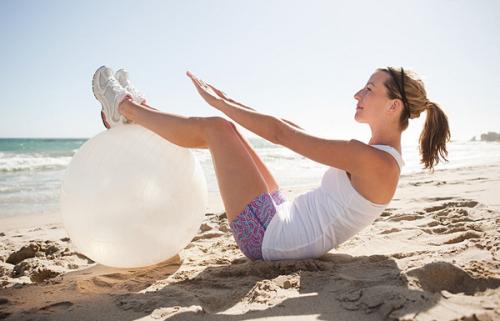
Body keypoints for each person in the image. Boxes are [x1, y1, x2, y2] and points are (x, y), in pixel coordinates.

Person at [91, 66, 450, 261]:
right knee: (227, 129)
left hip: (267, 239)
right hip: (281, 215)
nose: (358, 94)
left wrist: (218, 104)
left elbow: (280, 135)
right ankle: (137, 111)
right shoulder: (378, 157)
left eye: (370, 88)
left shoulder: (376, 162)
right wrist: (231, 100)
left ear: (394, 106)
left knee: (217, 129)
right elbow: (290, 127)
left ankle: (121, 106)